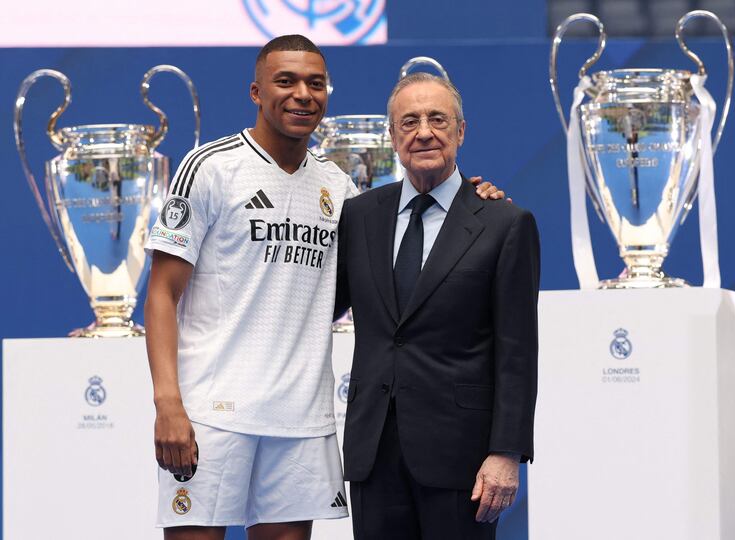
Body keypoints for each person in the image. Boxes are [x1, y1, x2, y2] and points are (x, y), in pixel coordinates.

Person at [144, 35, 504, 540]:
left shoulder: (341, 191)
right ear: (255, 91)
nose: (302, 94)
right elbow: (161, 293)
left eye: (315, 83)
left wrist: (470, 199)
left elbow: (409, 236)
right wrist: (168, 405)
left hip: (301, 419)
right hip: (212, 415)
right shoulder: (210, 167)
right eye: (285, 81)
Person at [335, 73, 540, 540]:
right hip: (374, 454)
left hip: (463, 461)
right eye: (409, 121)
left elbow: (518, 352)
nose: (423, 131)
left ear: (461, 131)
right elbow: (321, 305)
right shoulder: (359, 216)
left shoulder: (504, 223)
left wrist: (506, 453)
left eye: (437, 119)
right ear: (391, 137)